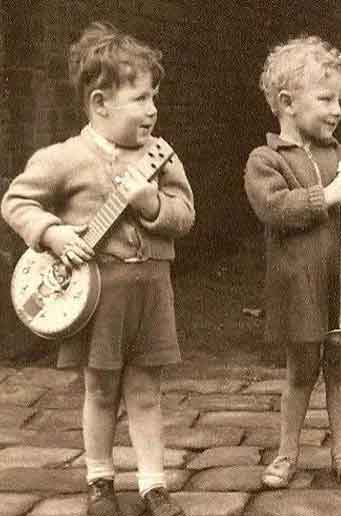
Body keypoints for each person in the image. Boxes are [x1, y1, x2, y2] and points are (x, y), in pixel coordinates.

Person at [1, 21, 195, 516]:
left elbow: (186, 215)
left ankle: (154, 484)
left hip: (151, 290)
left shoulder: (161, 156)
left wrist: (152, 203)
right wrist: (53, 234)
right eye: (140, 98)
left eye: (155, 96)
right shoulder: (64, 158)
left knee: (147, 391)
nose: (153, 109)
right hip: (97, 295)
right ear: (100, 103)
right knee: (100, 389)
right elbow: (17, 201)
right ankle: (100, 481)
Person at [244, 35, 341, 489]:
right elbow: (273, 208)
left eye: (339, 99)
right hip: (298, 286)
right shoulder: (265, 159)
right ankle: (287, 453)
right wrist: (324, 197)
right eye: (325, 99)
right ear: (287, 103)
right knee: (300, 371)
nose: (337, 109)